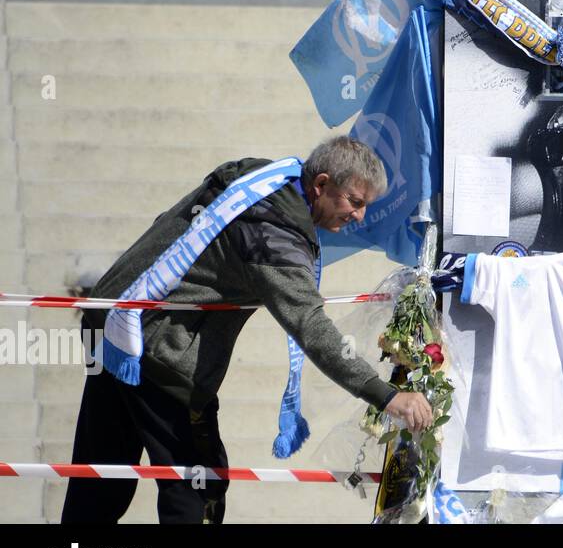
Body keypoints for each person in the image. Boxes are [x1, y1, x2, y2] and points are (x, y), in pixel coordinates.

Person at [61, 136, 433, 524]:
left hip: (113, 319)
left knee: (99, 477)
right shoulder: (275, 236)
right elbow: (311, 325)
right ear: (320, 185)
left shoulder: (258, 177)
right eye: (354, 202)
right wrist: (386, 395)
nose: (359, 216)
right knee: (198, 486)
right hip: (159, 350)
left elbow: (164, 222)